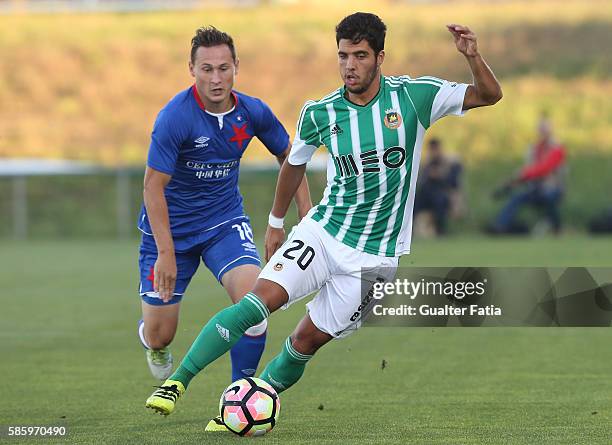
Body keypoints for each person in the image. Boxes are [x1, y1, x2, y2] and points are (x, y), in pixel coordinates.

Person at [144, 12, 502, 420]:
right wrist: (277, 222)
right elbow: (292, 164)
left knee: (306, 341)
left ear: (380, 57)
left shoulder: (413, 98)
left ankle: (242, 411)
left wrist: (473, 56)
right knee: (258, 302)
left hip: (377, 258)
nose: (350, 65)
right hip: (323, 232)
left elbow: (489, 94)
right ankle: (177, 382)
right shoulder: (320, 112)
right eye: (343, 56)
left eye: (360, 56)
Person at [136, 25, 312, 428]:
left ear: (236, 68)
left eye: (223, 68)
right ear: (192, 70)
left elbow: (293, 157)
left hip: (223, 223)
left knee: (255, 304)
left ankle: (238, 398)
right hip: (170, 235)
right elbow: (152, 186)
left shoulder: (252, 112)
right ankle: (151, 340)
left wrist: (306, 216)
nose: (215, 78)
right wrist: (165, 252)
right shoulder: (175, 117)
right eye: (206, 69)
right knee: (163, 334)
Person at [490, 117, 566, 234]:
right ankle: (500, 227)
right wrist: (513, 181)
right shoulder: (535, 149)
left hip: (553, 189)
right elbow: (530, 169)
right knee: (516, 198)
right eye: (540, 130)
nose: (542, 132)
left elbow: (544, 169)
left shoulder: (557, 148)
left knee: (549, 198)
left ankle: (557, 228)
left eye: (544, 129)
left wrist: (523, 174)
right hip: (536, 189)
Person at [414, 138, 463, 235]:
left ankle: (441, 231)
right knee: (414, 203)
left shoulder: (448, 162)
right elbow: (421, 182)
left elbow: (453, 182)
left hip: (442, 192)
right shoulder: (427, 163)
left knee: (440, 202)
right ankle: (410, 230)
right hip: (426, 193)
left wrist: (440, 175)